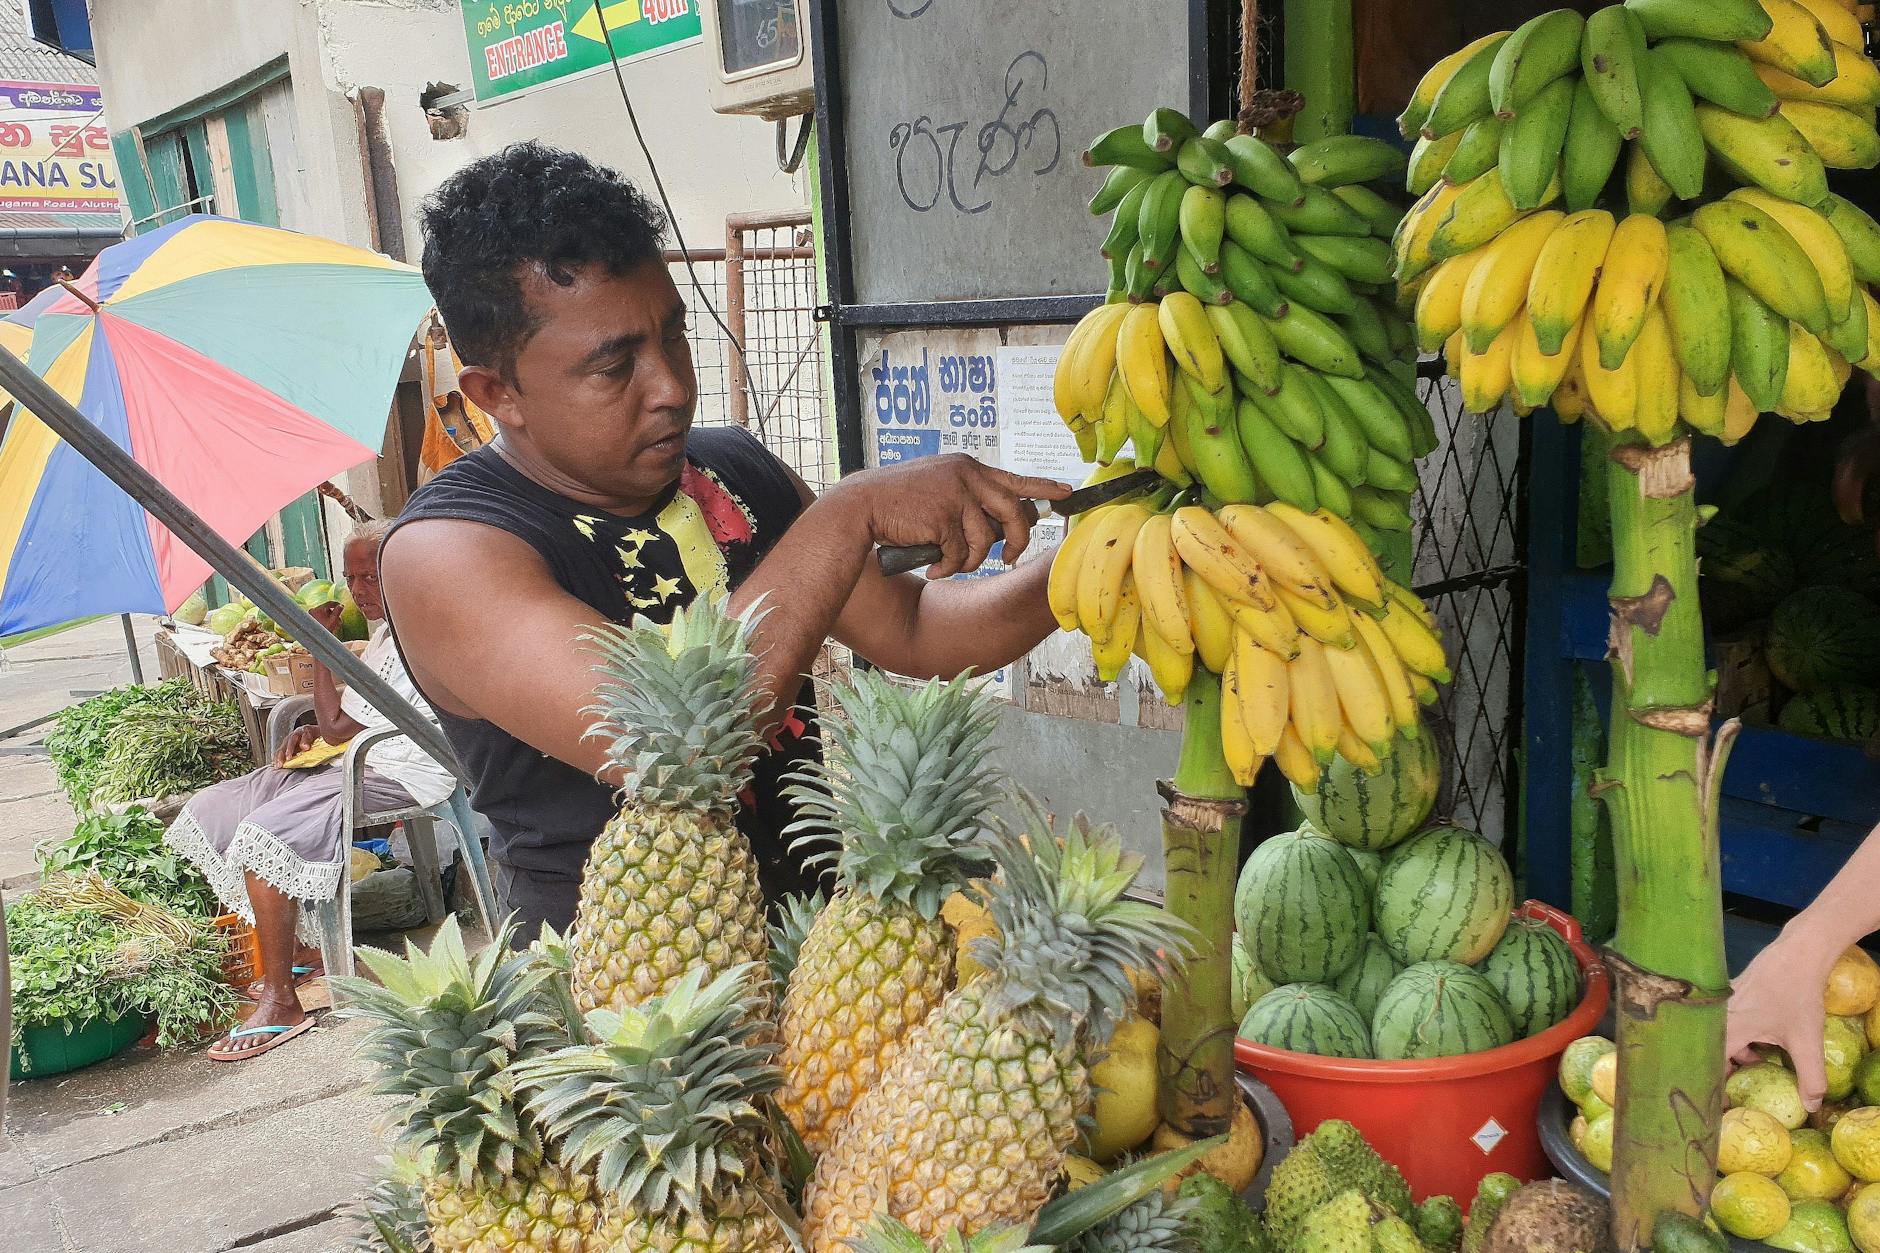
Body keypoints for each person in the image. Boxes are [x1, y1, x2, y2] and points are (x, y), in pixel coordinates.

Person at [380, 143, 1070, 935]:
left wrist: (1082, 571)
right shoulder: (449, 552)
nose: (672, 387)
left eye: (672, 336)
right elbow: (679, 754)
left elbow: (912, 627)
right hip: (627, 1022)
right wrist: (850, 514)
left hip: (810, 960)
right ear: (499, 393)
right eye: (615, 367)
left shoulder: (735, 468)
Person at [167, 521, 456, 1060]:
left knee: (266, 832)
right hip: (362, 756)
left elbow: (340, 725)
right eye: (352, 579)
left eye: (370, 578)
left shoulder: (424, 628)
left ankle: (282, 1002)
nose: (359, 592)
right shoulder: (387, 633)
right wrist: (314, 729)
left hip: (403, 767)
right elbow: (345, 718)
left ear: (401, 573)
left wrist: (319, 651)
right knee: (219, 806)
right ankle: (298, 951)